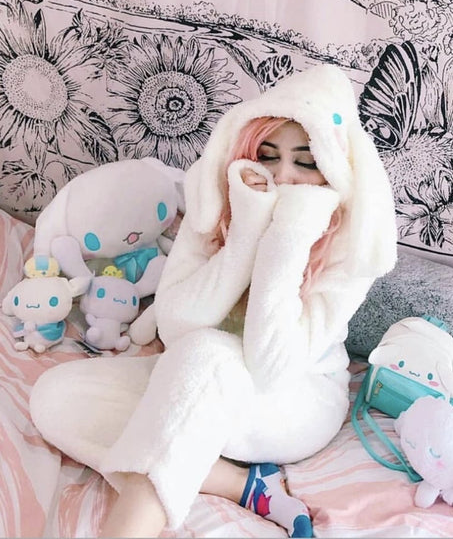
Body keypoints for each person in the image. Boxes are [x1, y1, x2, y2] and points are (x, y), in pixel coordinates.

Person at [30, 64, 398, 538]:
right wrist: (246, 232)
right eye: (267, 156)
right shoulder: (220, 206)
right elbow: (175, 328)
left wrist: (290, 235)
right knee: (56, 399)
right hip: (192, 372)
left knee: (208, 355)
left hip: (292, 398)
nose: (282, 176)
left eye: (306, 162)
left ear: (334, 169)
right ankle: (240, 483)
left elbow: (270, 367)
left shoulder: (351, 247)